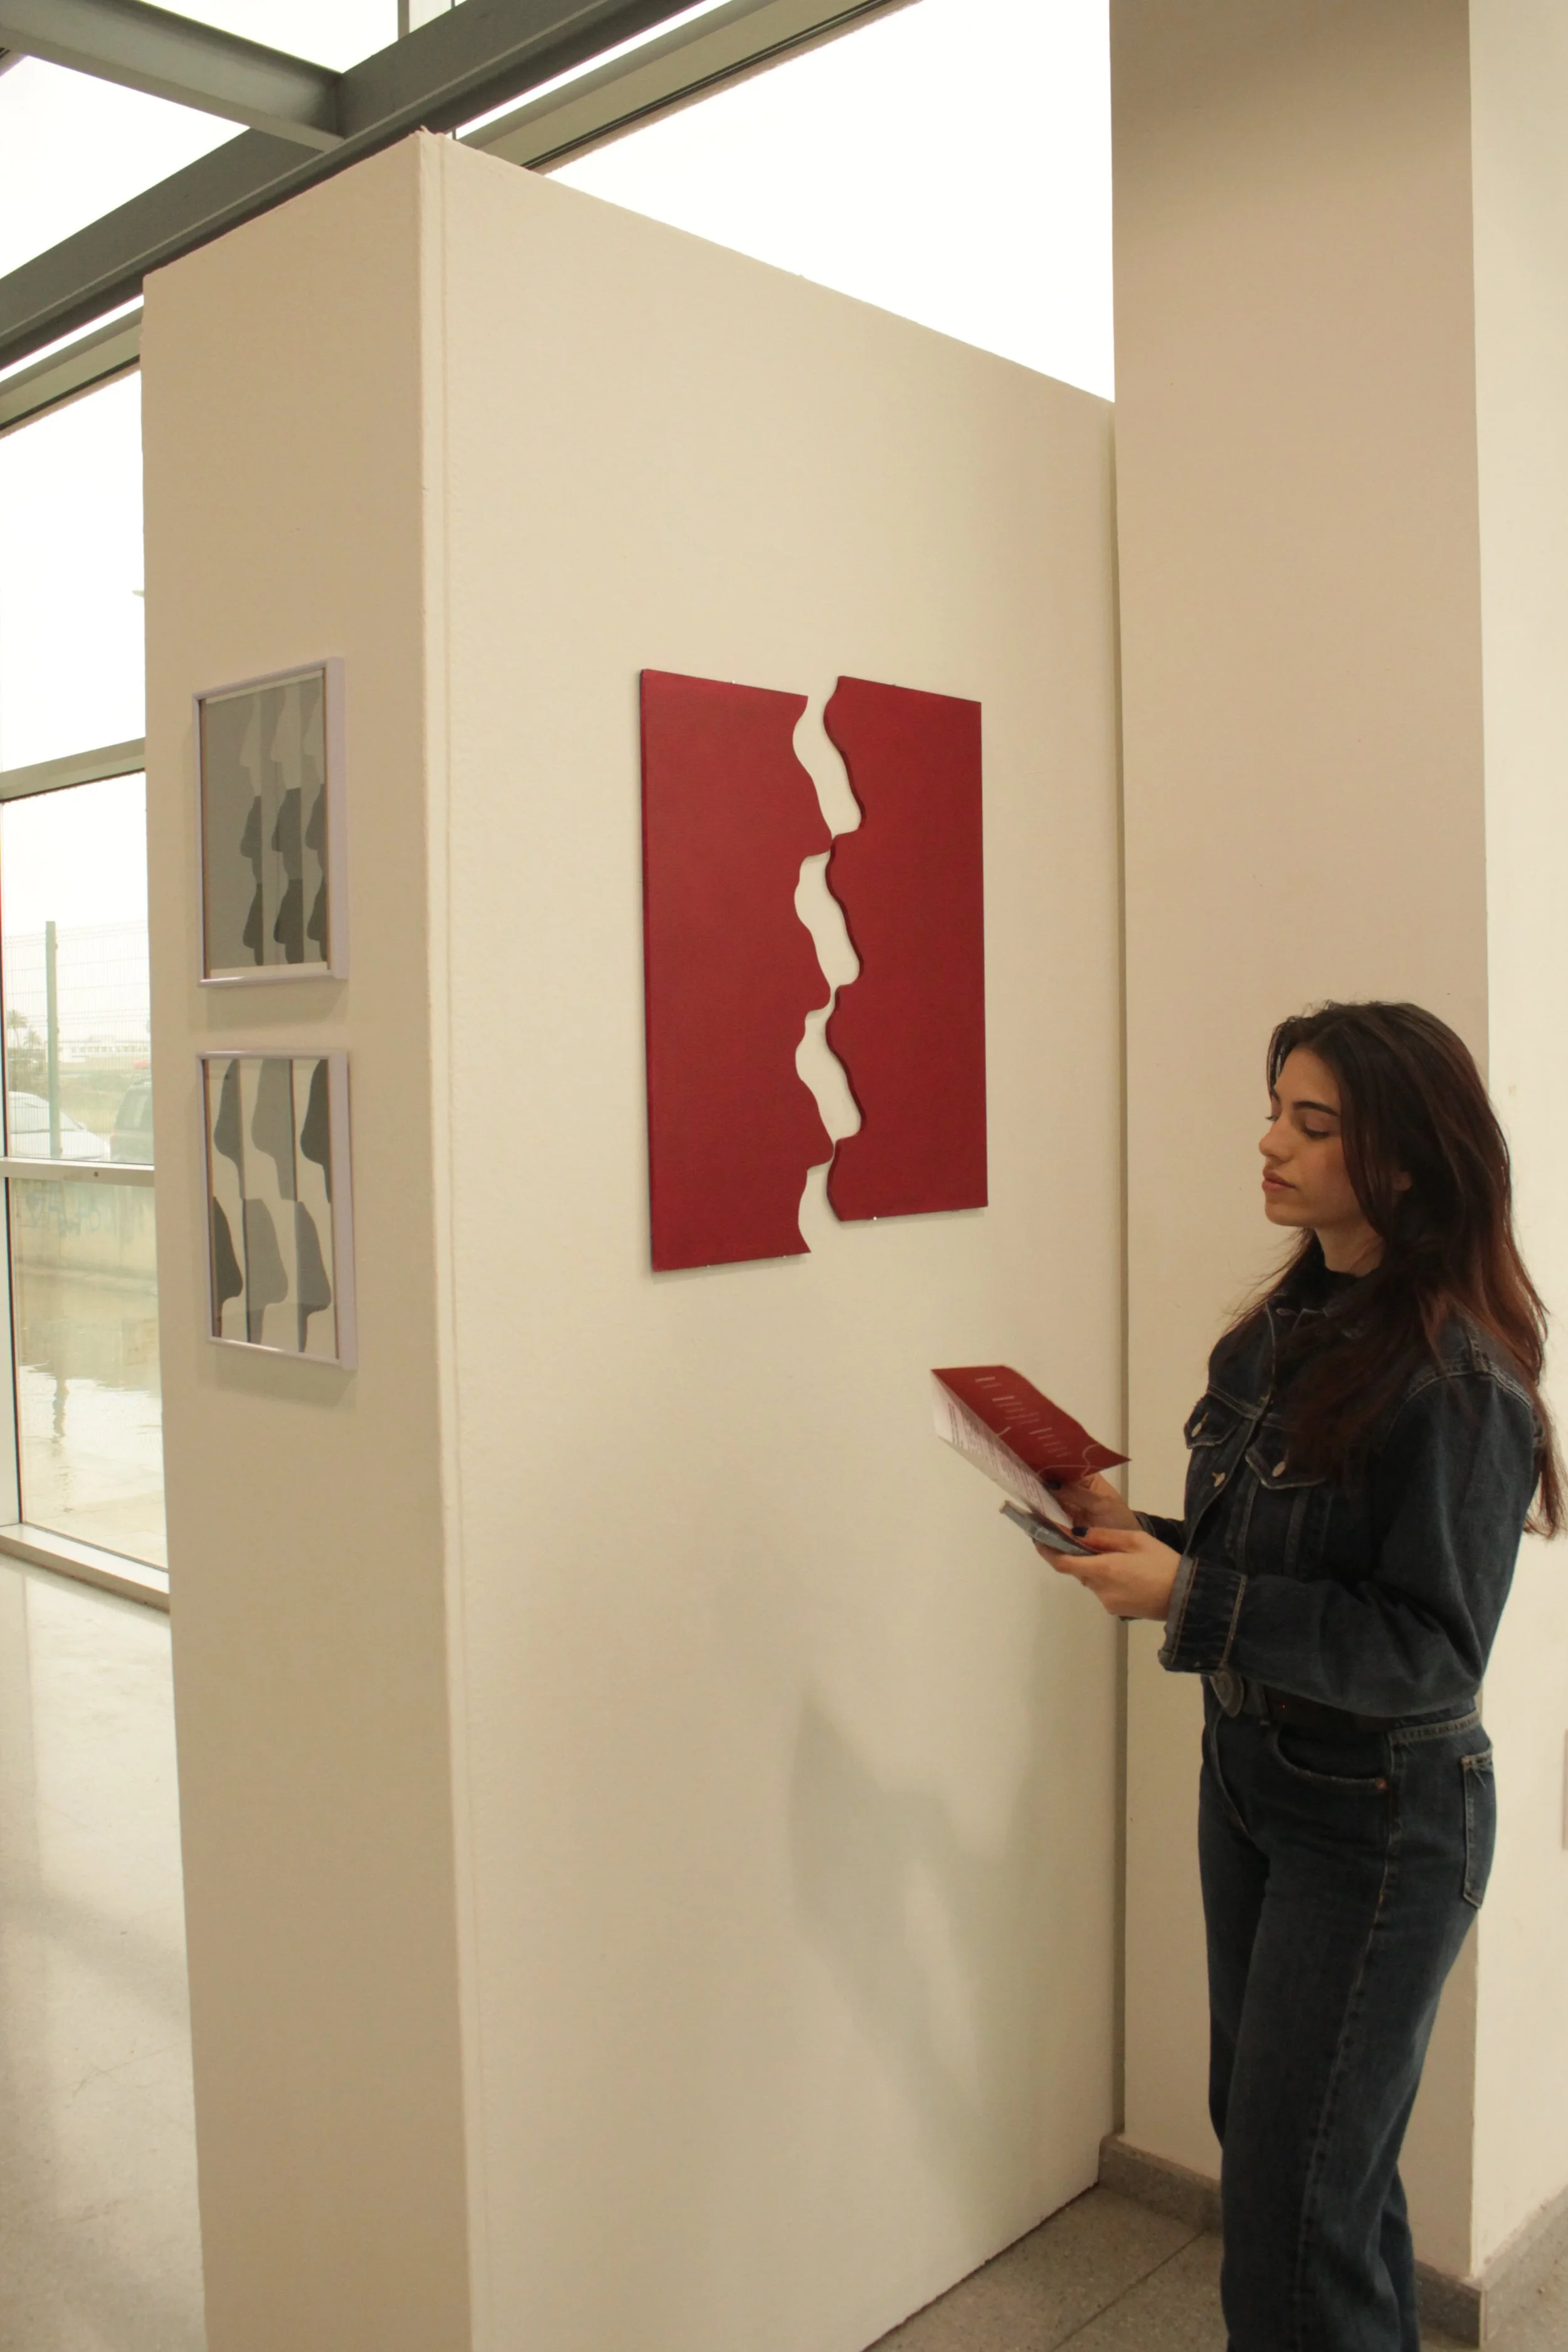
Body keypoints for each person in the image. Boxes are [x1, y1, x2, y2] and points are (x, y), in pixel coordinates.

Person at [1043, 1000, 1560, 2352]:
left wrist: (1189, 1596)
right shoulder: (1278, 1332)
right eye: (1276, 1109)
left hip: (1377, 1817)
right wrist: (1138, 1535)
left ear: (1406, 1157)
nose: (1268, 1142)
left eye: (1310, 1122)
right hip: (1250, 1780)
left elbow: (1426, 1650)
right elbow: (1277, 1558)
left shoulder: (1456, 1382)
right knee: (1308, 2163)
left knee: (1290, 2207)